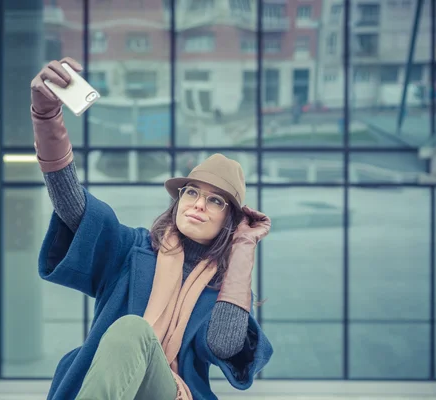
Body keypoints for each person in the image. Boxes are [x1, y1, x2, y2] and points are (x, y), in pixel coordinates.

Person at [30, 57, 273, 400]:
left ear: (229, 221)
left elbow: (223, 344)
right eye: (192, 192)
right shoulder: (133, 250)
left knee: (133, 328)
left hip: (172, 393)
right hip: (114, 385)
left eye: (216, 201)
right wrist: (45, 116)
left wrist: (244, 245)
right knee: (131, 331)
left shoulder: (225, 288)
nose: (198, 204)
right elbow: (71, 202)